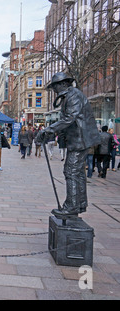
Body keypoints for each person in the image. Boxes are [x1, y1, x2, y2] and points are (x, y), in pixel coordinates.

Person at [36, 72, 101, 218]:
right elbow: (68, 120)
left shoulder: (73, 95)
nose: (54, 90)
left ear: (62, 84)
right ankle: (79, 203)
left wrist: (48, 129)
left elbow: (70, 118)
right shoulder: (70, 96)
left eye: (55, 86)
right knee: (77, 172)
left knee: (71, 171)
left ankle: (71, 206)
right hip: (77, 139)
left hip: (80, 140)